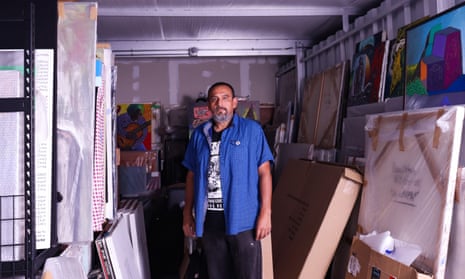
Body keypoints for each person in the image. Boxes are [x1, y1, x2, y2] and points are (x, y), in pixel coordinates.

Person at [182, 81, 274, 279]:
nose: (219, 103)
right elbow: (191, 176)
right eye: (214, 99)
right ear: (208, 106)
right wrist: (187, 213)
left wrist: (266, 213)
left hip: (244, 220)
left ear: (234, 103)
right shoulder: (199, 135)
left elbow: (264, 172)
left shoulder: (251, 131)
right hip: (210, 221)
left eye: (225, 98)